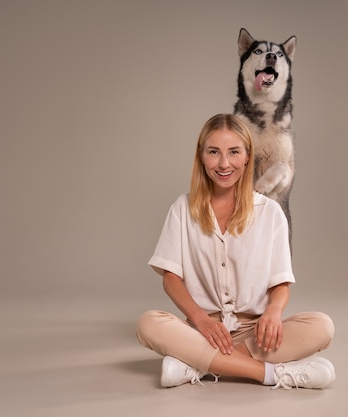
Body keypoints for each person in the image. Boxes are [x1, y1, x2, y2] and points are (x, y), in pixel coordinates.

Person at [136, 114, 336, 389]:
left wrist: (274, 312)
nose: (224, 163)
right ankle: (270, 374)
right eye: (214, 152)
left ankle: (199, 366)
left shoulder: (270, 213)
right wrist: (200, 320)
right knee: (149, 324)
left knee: (321, 326)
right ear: (202, 156)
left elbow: (280, 284)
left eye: (233, 152)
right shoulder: (183, 208)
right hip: (201, 331)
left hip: (256, 333)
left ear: (246, 157)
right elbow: (170, 277)